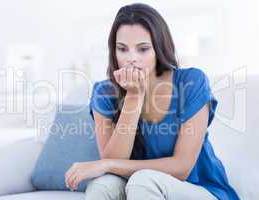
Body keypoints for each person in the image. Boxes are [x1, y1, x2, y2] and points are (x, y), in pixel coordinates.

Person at [64, 3, 240, 200]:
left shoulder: (192, 82)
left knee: (144, 181)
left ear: (159, 48)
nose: (132, 58)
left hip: (199, 189)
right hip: (141, 187)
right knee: (102, 185)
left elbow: (181, 167)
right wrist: (134, 97)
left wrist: (107, 164)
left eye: (143, 49)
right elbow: (115, 160)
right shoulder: (104, 93)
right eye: (122, 49)